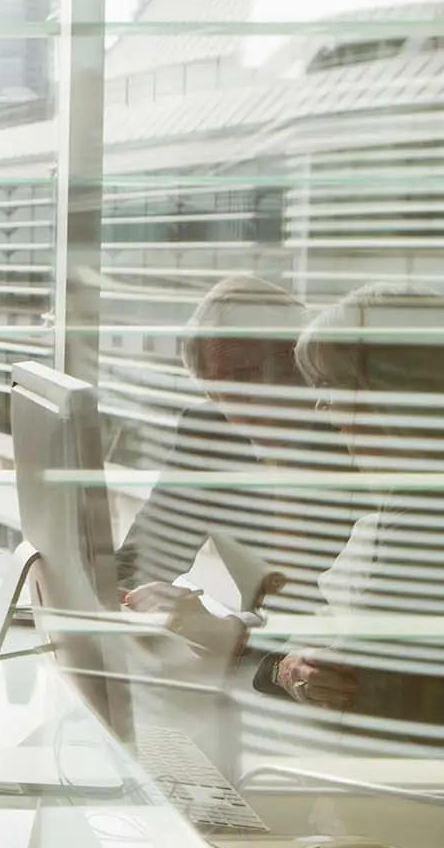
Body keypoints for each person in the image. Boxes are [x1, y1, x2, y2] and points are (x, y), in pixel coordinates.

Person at [138, 284, 444, 750]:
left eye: (267, 369)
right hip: (289, 708)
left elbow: (354, 679)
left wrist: (232, 645)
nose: (246, 399)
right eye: (224, 388)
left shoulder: (399, 491)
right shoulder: (211, 430)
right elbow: (329, 631)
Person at [116, 275, 355, 614]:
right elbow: (148, 553)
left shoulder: (353, 432)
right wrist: (114, 591)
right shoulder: (208, 434)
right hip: (253, 649)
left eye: (278, 362)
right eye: (230, 381)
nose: (262, 386)